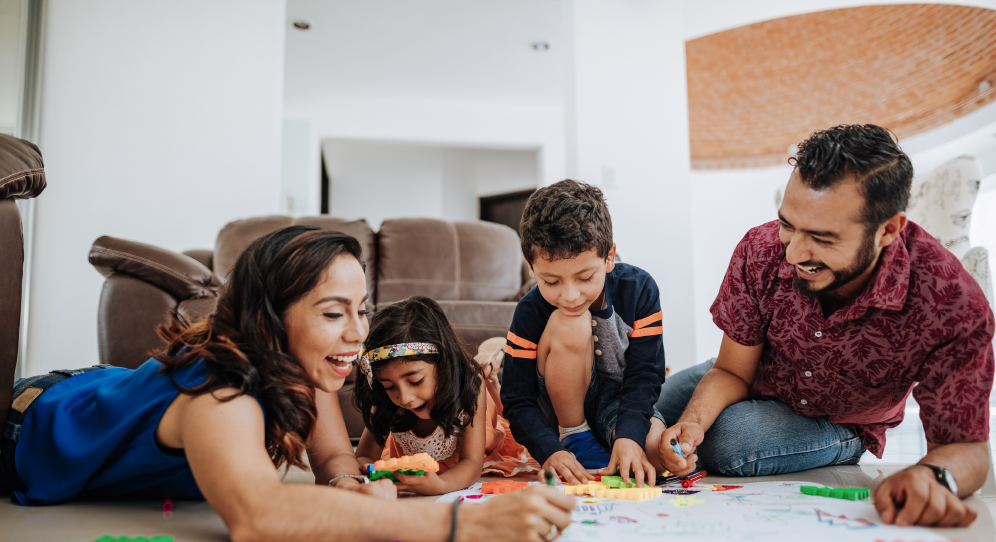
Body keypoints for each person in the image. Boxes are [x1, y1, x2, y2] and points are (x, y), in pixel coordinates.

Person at [1, 226, 574, 541]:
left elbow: (332, 459)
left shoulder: (312, 367)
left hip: (104, 390)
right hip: (27, 420)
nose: (356, 335)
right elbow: (258, 517)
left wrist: (353, 487)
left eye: (361, 309)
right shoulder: (219, 387)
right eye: (332, 313)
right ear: (271, 320)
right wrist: (455, 523)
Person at [647, 125, 993, 528]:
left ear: (888, 230)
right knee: (644, 404)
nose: (793, 253)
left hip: (843, 419)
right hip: (753, 375)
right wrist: (691, 423)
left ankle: (841, 447)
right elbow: (730, 370)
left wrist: (931, 475)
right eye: (788, 225)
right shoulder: (760, 249)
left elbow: (965, 447)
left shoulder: (950, 301)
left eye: (822, 238)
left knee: (729, 441)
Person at [501, 179, 667, 488]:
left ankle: (610, 444)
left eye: (585, 277)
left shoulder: (640, 289)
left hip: (618, 400)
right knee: (571, 321)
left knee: (656, 455)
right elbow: (516, 398)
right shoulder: (528, 311)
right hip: (557, 413)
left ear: (609, 257)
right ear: (531, 268)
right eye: (551, 282)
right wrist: (549, 450)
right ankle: (576, 437)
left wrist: (630, 436)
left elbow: (645, 374)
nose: (571, 295)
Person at [353, 297, 540, 495]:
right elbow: (364, 456)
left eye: (415, 381)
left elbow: (472, 462)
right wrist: (369, 475)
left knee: (479, 378)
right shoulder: (387, 398)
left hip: (467, 405)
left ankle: (489, 368)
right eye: (389, 386)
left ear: (443, 365)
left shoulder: (469, 385)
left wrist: (441, 485)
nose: (404, 398)